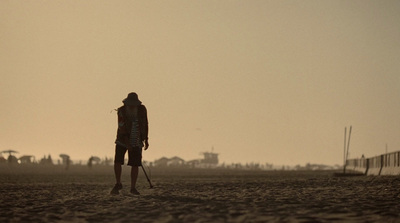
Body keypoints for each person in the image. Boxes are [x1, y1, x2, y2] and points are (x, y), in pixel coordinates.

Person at [111, 92, 149, 195]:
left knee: (135, 164)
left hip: (137, 140)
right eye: (130, 104)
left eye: (134, 105)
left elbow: (145, 123)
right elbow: (121, 127)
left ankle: (133, 187)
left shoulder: (142, 110)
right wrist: (127, 143)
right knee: (118, 161)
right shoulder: (121, 111)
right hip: (122, 140)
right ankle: (118, 183)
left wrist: (146, 139)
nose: (132, 106)